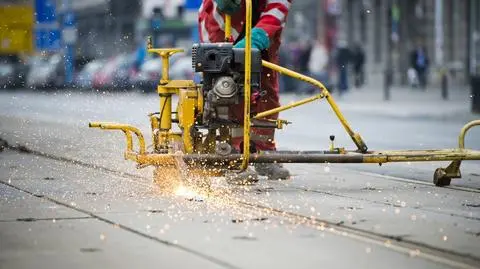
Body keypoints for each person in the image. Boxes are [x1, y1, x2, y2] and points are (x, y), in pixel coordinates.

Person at [198, 0, 291, 183]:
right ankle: (231, 154)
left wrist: (260, 34)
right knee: (227, 91)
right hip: (223, 26)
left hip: (263, 35)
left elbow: (278, 6)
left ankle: (263, 153)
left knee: (267, 94)